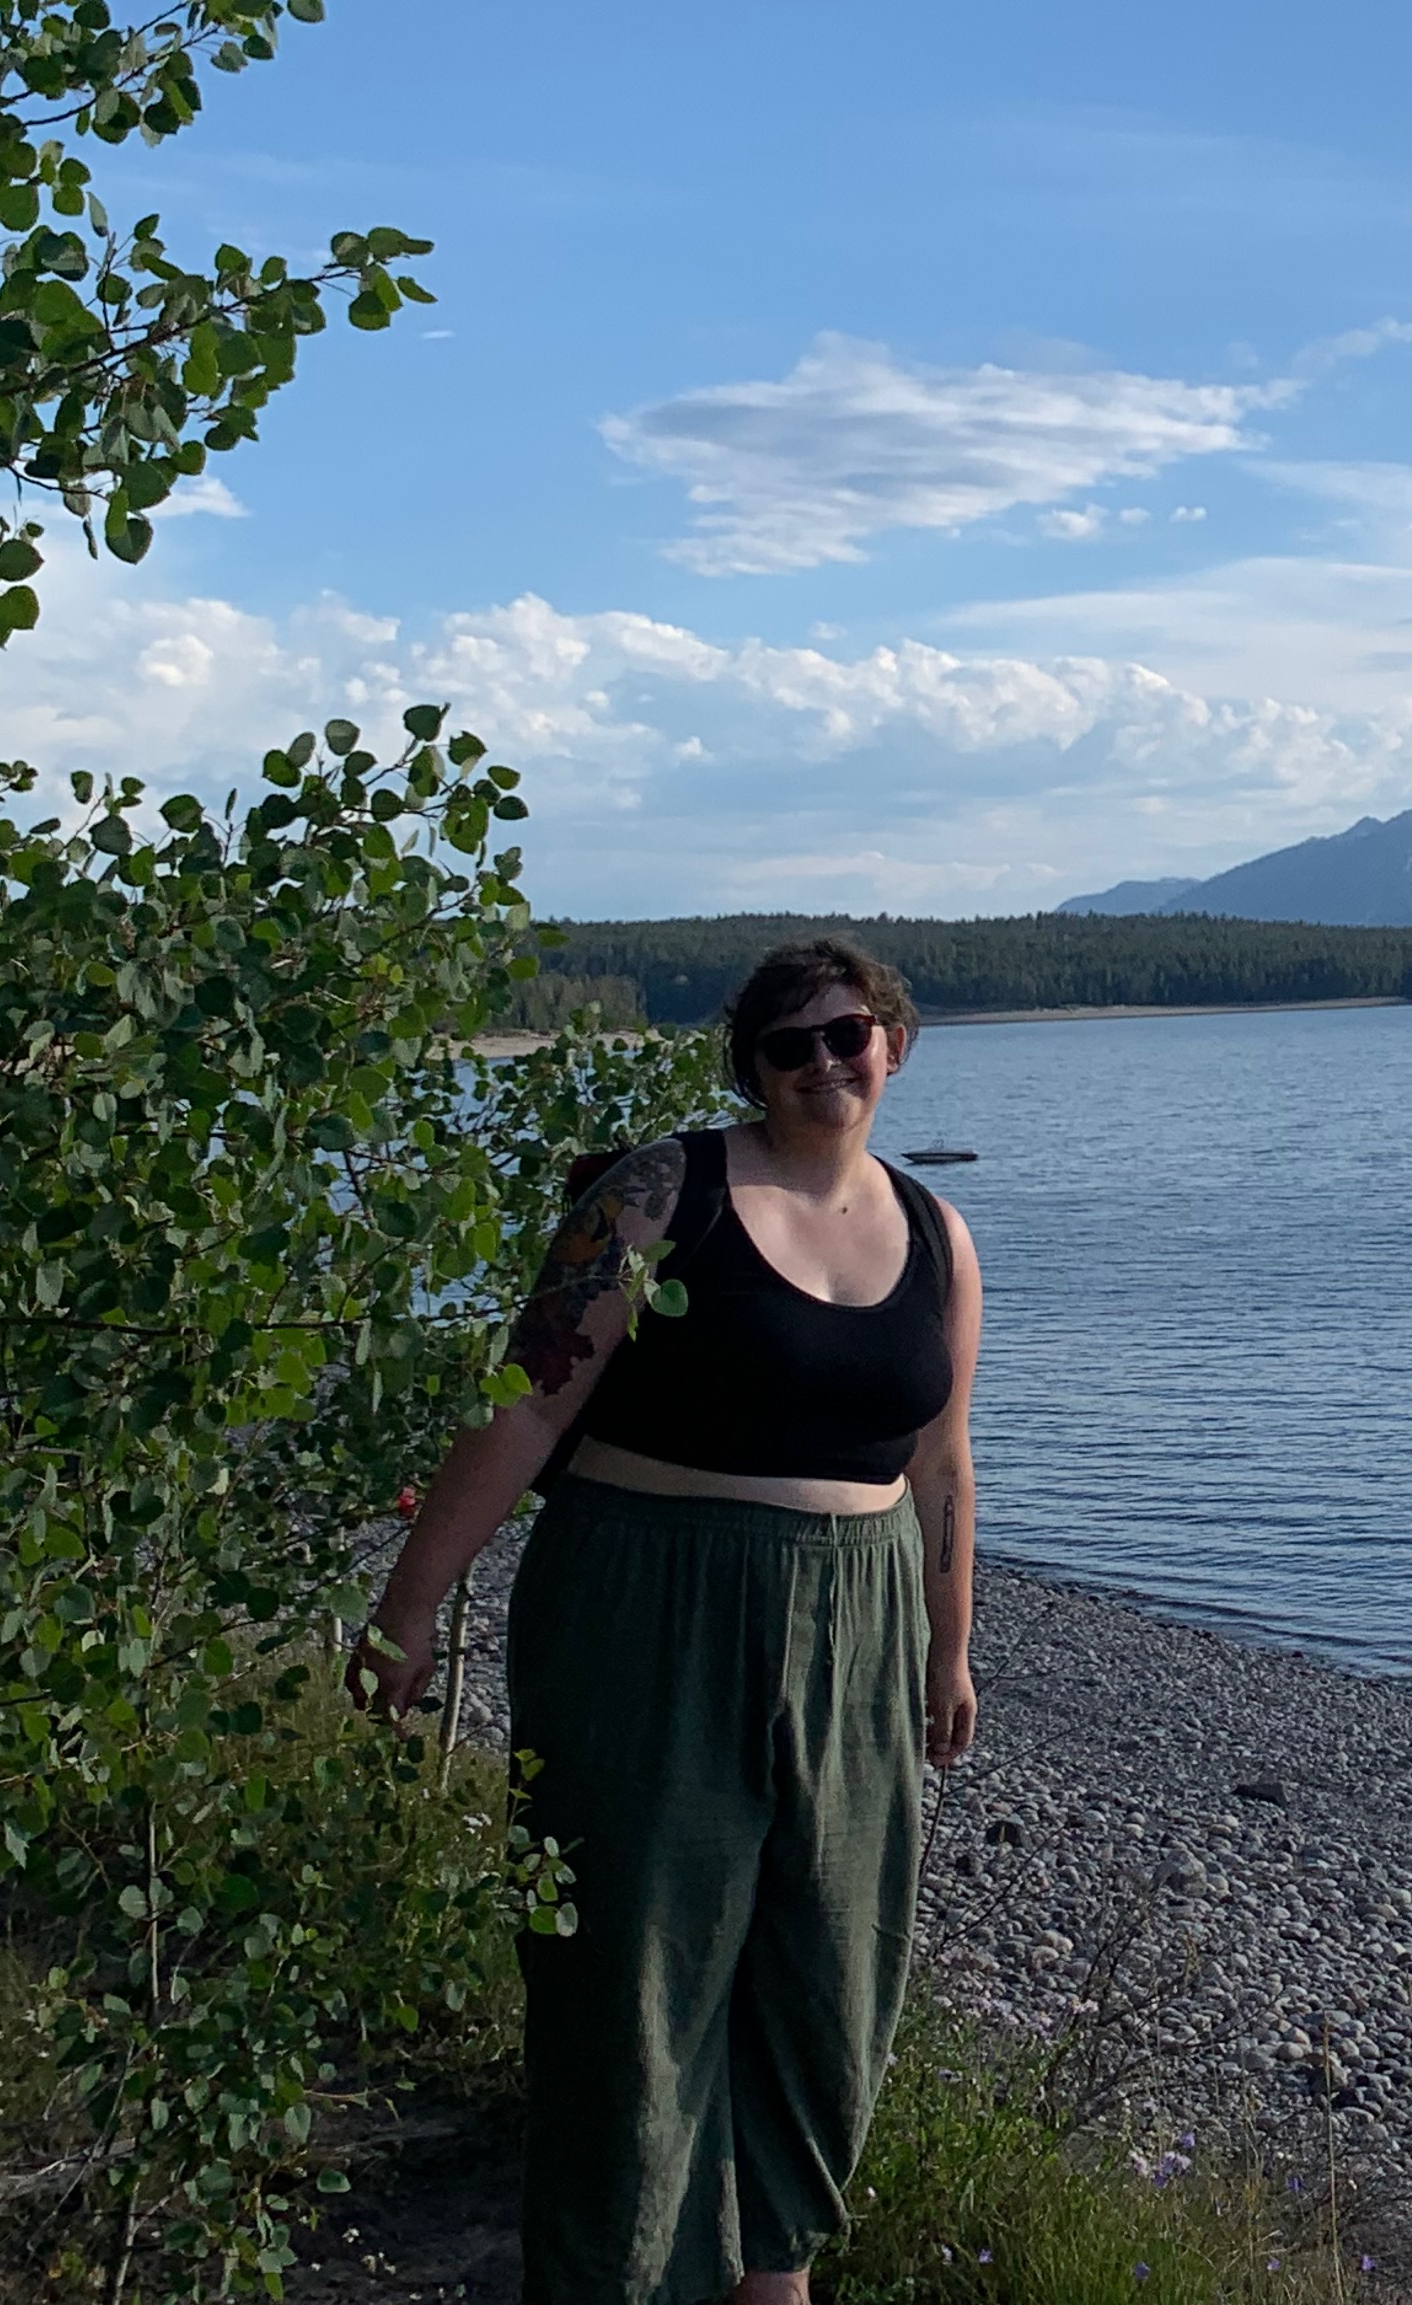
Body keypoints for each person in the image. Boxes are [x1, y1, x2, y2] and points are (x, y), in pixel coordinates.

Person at [356, 936, 985, 2305]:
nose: (825, 1063)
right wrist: (409, 1611)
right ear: (750, 1065)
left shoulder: (938, 1234)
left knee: (831, 1973)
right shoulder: (659, 1192)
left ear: (894, 1041)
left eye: (849, 1034)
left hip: (859, 1621)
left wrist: (949, 1646)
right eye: (790, 1043)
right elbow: (526, 1402)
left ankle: (773, 2278)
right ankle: (607, 2277)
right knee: (629, 1977)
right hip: (649, 1602)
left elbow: (942, 1461)